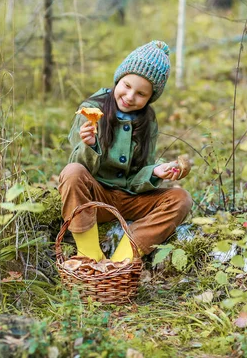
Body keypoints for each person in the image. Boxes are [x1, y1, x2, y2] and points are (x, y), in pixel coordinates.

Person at [58, 40, 194, 263]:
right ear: (118, 79)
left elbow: (135, 178)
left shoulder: (147, 121)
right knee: (72, 172)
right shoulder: (92, 109)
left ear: (150, 98)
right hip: (95, 197)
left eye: (141, 94)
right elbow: (75, 168)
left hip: (130, 200)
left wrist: (155, 172)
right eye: (127, 86)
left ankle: (123, 259)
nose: (130, 97)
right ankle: (89, 255)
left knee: (181, 198)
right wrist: (90, 145)